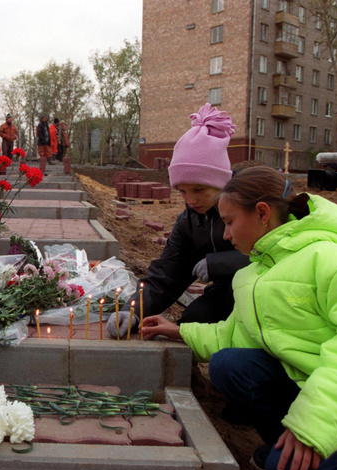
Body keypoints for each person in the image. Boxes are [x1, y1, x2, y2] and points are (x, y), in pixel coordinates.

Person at [142, 166, 337, 470]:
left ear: (262, 213)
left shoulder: (335, 263)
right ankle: (285, 445)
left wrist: (313, 427)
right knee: (228, 365)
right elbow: (235, 334)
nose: (225, 234)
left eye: (230, 222)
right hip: (312, 387)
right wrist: (181, 331)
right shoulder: (254, 274)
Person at [107, 103, 249, 339]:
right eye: (182, 191)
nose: (191, 200)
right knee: (194, 320)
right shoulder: (189, 223)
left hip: (267, 292)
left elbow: (279, 255)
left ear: (221, 181)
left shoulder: (250, 206)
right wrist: (133, 311)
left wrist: (221, 263)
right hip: (226, 291)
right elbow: (166, 275)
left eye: (199, 189)